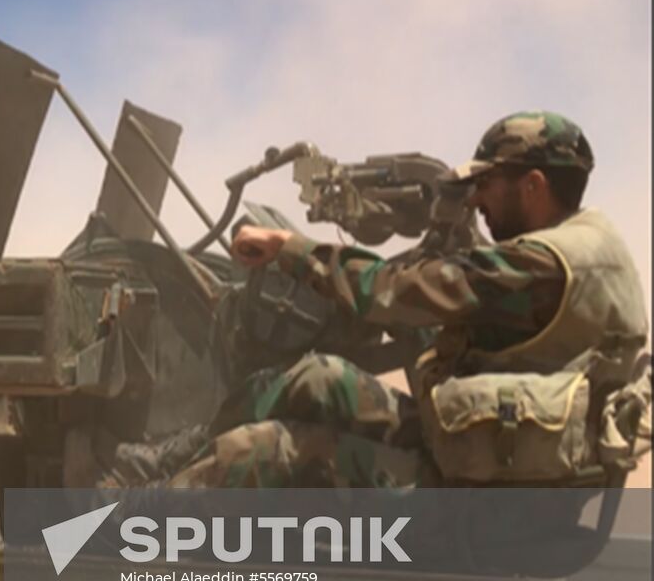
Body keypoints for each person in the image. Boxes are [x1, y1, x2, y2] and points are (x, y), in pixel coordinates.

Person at [170, 111, 649, 488]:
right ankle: (178, 457)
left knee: (267, 451)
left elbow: (394, 292)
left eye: (487, 184)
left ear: (533, 186)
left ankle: (126, 531)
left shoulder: (537, 268)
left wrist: (288, 249)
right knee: (320, 378)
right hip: (488, 462)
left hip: (488, 507)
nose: (478, 200)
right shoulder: (589, 248)